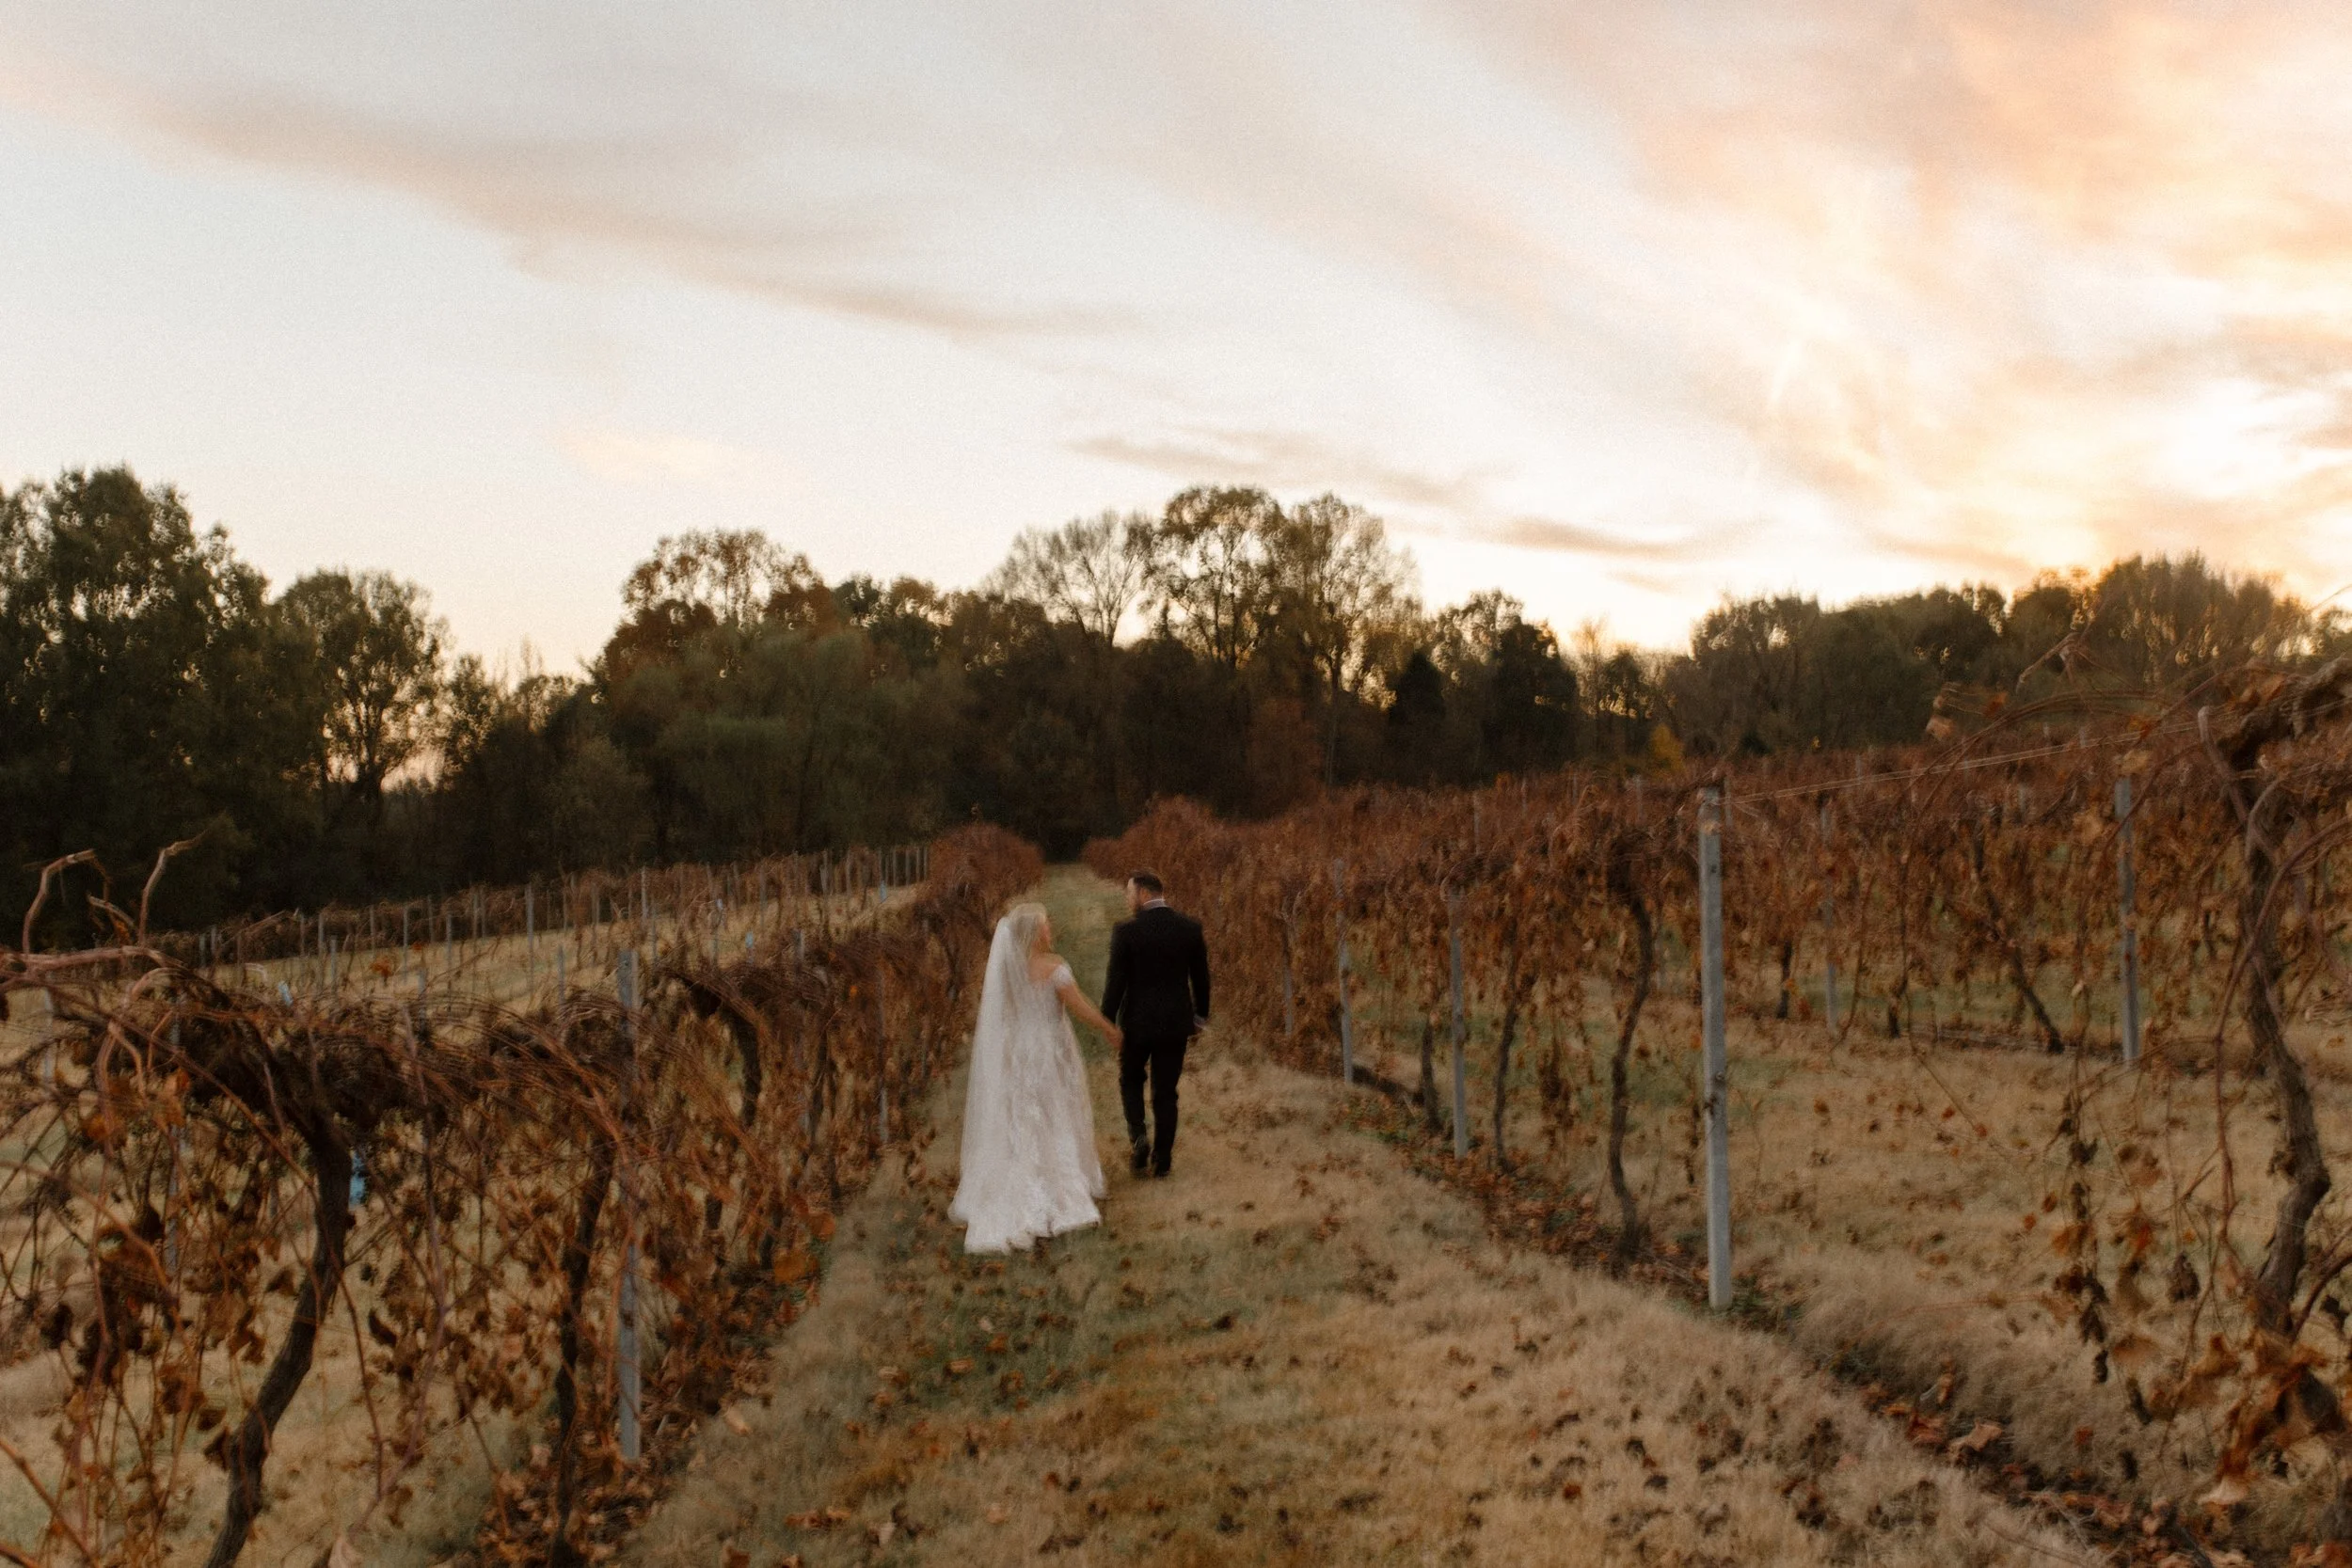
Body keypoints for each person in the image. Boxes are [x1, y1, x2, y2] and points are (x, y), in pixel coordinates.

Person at [949, 902, 1119, 1253]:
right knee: (1055, 1112)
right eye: (1045, 924)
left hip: (1022, 1054)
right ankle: (1060, 1186)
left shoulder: (1009, 972)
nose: (1049, 929)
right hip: (1051, 1052)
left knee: (1024, 1119)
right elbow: (1079, 1006)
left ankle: (1025, 1181)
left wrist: (1009, 1058)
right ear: (1034, 932)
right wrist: (1107, 1028)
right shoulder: (1055, 967)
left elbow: (1005, 1020)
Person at [1100, 870, 1210, 1179]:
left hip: (1136, 1024)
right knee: (1166, 1091)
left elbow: (1115, 983)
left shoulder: (1126, 932)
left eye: (1129, 894)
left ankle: (1139, 1137)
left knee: (1131, 1080)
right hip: (1175, 1023)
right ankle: (1162, 1158)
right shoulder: (1189, 928)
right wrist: (1200, 1016)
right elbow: (1201, 978)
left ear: (1144, 895)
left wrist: (1107, 1022)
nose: (1127, 900)